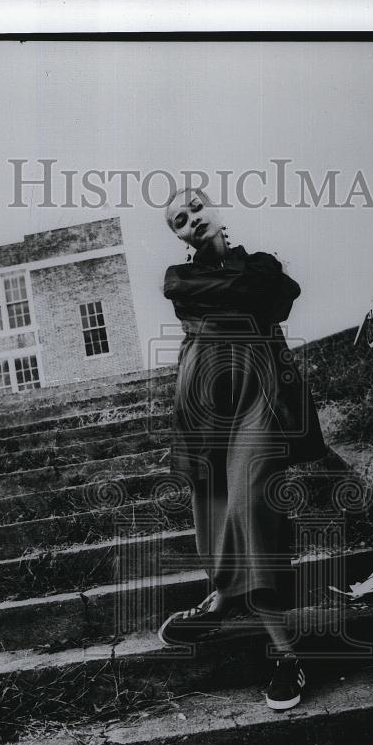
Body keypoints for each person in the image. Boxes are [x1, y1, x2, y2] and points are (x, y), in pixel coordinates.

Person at [158, 187, 327, 710]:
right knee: (214, 509)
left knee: (250, 504)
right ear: (180, 236)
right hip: (203, 400)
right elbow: (258, 295)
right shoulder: (178, 278)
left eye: (196, 208)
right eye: (180, 221)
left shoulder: (261, 265)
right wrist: (249, 293)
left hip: (258, 389)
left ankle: (272, 643)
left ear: (214, 209)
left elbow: (281, 293)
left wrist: (247, 289)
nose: (191, 220)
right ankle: (228, 598)